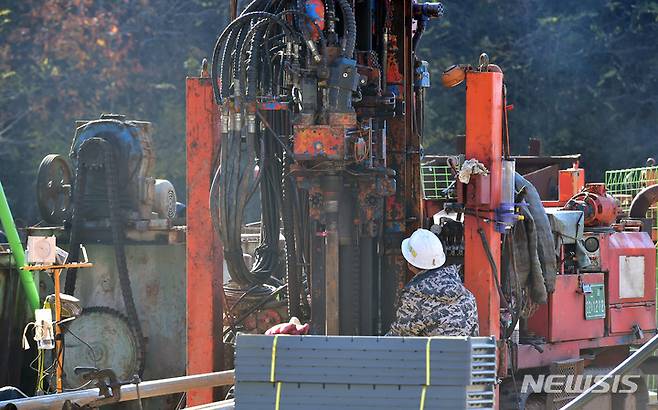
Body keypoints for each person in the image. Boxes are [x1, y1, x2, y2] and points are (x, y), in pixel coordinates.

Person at [387, 228, 479, 337]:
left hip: (431, 354)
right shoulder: (468, 297)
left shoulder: (415, 297)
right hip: (463, 354)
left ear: (410, 264)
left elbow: (398, 338)